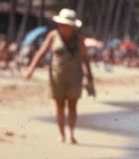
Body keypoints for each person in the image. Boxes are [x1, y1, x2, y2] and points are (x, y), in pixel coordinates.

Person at [24, 8, 94, 143]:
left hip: (75, 76)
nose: (64, 27)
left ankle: (71, 134)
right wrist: (31, 69)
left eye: (67, 25)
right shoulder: (53, 35)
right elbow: (41, 52)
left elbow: (85, 57)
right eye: (62, 24)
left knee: (72, 106)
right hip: (57, 76)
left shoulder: (79, 38)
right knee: (59, 105)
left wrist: (89, 75)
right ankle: (61, 134)